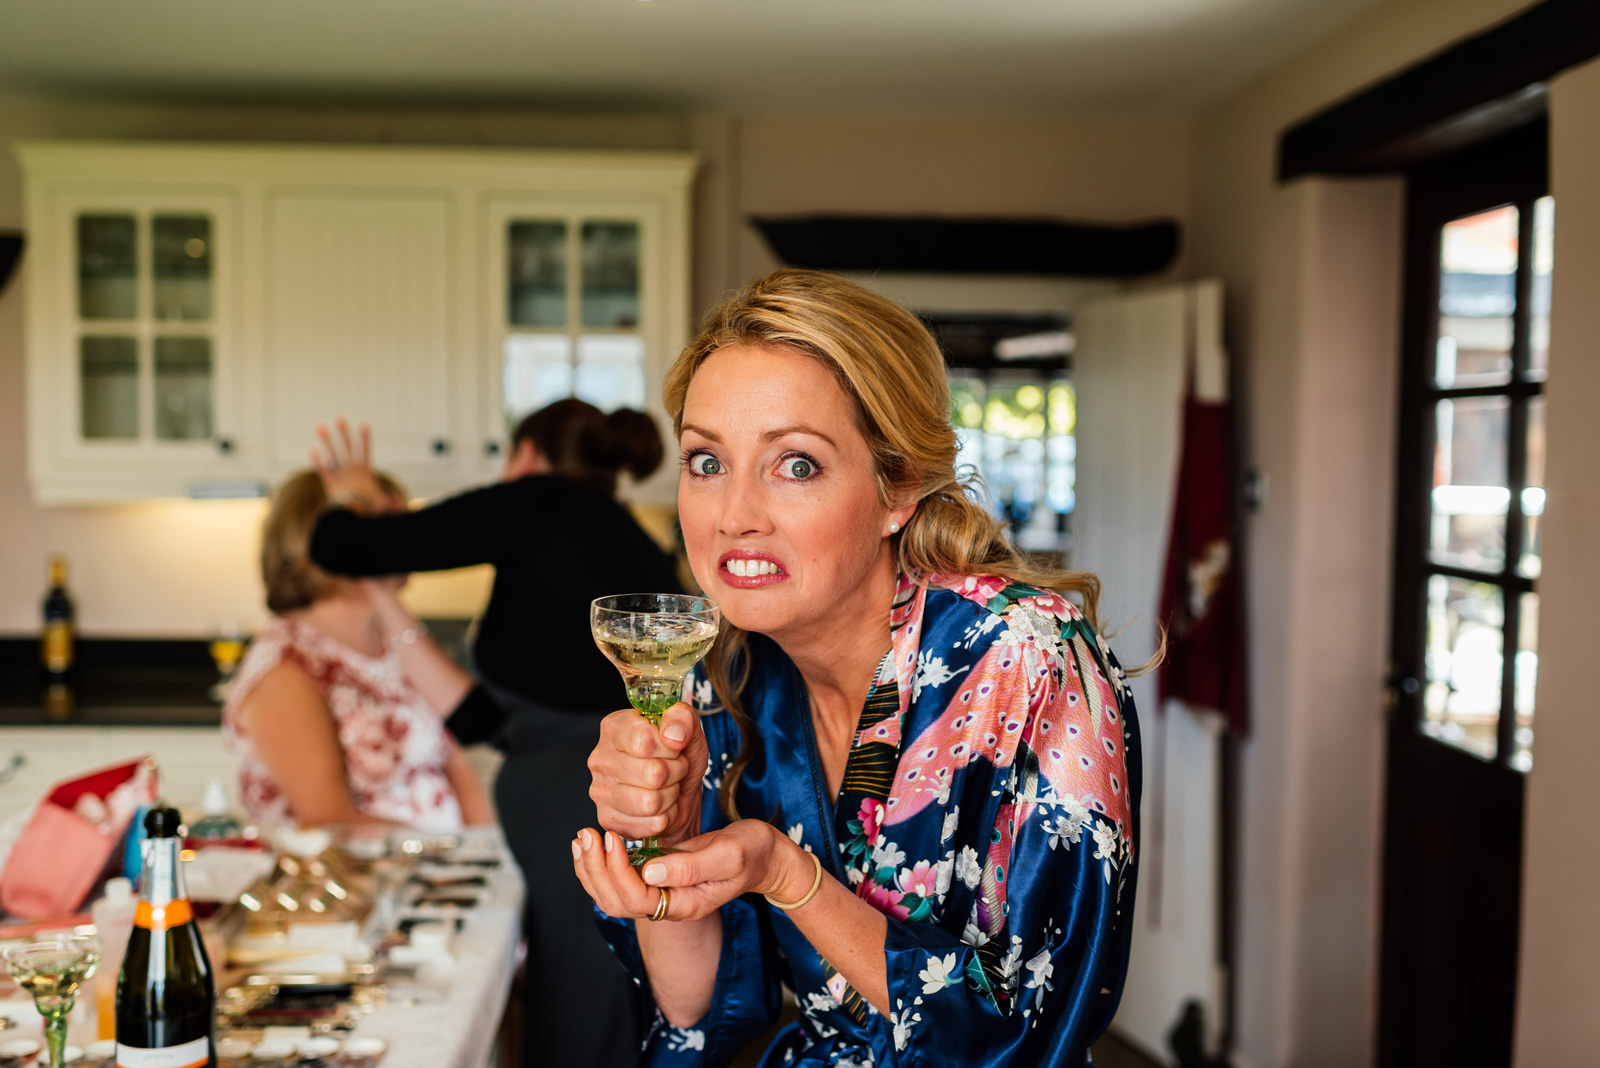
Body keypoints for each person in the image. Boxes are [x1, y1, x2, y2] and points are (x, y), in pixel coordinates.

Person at [573, 269, 1143, 1067]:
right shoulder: (722, 677)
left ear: (897, 488)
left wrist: (783, 871)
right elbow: (694, 1011)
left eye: (795, 464)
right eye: (706, 461)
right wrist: (671, 842)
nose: (734, 516)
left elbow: (1025, 1035)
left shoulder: (1025, 660)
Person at [304, 398, 681, 1068]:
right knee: (590, 982)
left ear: (528, 454)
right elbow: (491, 722)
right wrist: (386, 592)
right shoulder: (617, 532)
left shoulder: (534, 501)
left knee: (582, 992)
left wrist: (353, 496)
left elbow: (338, 545)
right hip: (594, 783)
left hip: (578, 795)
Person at [224, 470, 495, 833]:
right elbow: (329, 818)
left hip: (444, 877)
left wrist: (487, 852)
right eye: (386, 523)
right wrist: (448, 856)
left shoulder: (398, 643)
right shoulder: (286, 663)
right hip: (360, 881)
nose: (405, 534)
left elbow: (457, 762)